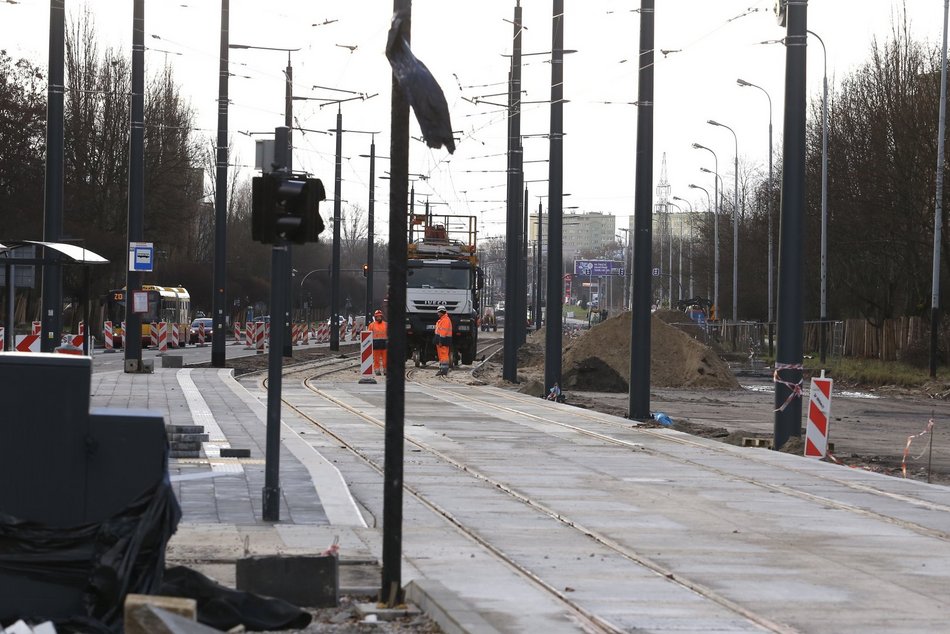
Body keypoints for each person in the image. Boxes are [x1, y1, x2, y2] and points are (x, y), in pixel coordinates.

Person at [434, 305, 452, 376]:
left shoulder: (445, 320)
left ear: (441, 312)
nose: (437, 313)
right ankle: (442, 369)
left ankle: (444, 370)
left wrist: (441, 341)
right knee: (441, 355)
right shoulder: (442, 320)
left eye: (438, 312)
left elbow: (443, 332)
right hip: (441, 340)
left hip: (443, 341)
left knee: (444, 355)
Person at [368, 309, 388, 375]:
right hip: (376, 345)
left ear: (381, 316)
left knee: (385, 360)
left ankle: (385, 371)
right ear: (375, 317)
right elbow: (368, 335)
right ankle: (377, 371)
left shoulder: (386, 324)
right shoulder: (371, 325)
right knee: (376, 360)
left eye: (380, 316)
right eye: (377, 316)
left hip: (384, 345)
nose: (378, 317)